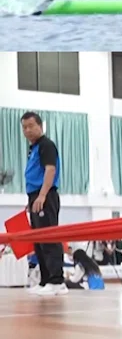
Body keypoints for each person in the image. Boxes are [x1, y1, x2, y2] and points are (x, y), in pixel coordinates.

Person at [21, 111, 67, 296]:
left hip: (45, 196)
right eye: (24, 127)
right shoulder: (34, 148)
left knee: (49, 237)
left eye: (31, 126)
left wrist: (41, 196)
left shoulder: (46, 145)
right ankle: (46, 280)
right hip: (35, 196)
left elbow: (50, 170)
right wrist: (31, 200)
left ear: (40, 126)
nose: (28, 130)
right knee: (39, 240)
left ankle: (57, 281)